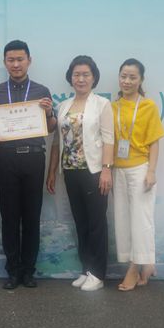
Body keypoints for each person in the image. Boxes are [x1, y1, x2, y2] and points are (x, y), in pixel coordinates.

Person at [0, 40, 56, 289]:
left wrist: (49, 113)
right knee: (10, 216)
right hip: (6, 158)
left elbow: (52, 127)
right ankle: (13, 271)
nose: (16, 64)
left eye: (20, 59)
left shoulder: (41, 91)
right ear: (5, 62)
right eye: (11, 60)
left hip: (34, 158)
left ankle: (28, 271)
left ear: (29, 61)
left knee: (32, 216)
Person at [46, 55, 114, 292]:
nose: (81, 79)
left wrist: (106, 170)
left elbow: (109, 139)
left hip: (94, 171)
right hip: (70, 171)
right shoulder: (64, 106)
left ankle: (98, 273)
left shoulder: (102, 104)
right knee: (81, 222)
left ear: (94, 78)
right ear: (70, 78)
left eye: (86, 74)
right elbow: (57, 142)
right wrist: (52, 172)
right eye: (77, 74)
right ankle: (87, 269)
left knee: (96, 223)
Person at [112, 58, 164, 291]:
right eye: (123, 76)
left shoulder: (148, 106)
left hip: (140, 169)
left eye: (132, 77)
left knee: (141, 221)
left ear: (141, 80)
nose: (127, 81)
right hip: (118, 169)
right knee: (123, 220)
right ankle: (147, 264)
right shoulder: (112, 107)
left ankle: (135, 268)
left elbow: (154, 142)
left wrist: (151, 171)